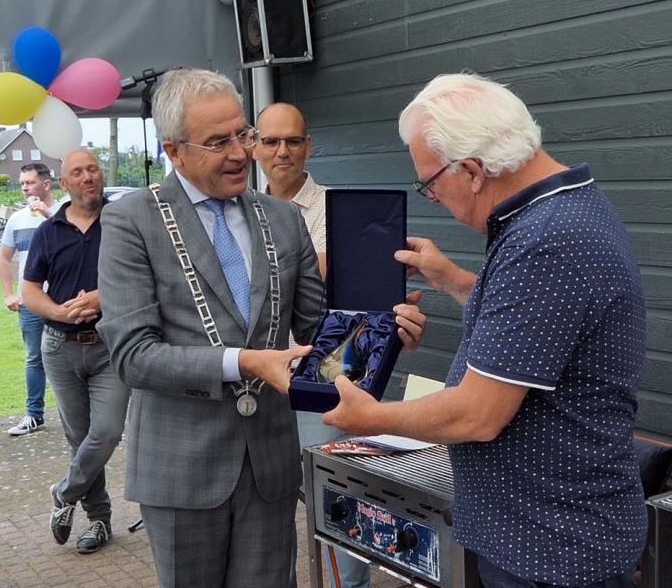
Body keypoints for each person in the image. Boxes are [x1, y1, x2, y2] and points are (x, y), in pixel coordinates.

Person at [96, 68, 426, 588]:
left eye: (242, 134)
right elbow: (134, 355)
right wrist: (245, 362)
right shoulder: (132, 221)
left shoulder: (281, 217)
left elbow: (318, 329)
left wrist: (379, 330)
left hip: (269, 463)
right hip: (183, 468)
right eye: (218, 141)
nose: (239, 153)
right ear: (173, 151)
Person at [323, 73, 648, 588]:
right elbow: (536, 326)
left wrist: (371, 416)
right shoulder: (563, 205)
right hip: (551, 535)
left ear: (471, 171)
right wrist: (451, 278)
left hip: (548, 547)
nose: (433, 197)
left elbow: (478, 415)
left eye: (430, 184)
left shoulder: (543, 240)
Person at [254, 102, 370, 588]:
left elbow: (313, 284)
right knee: (269, 504)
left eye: (293, 141)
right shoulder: (239, 206)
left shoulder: (333, 211)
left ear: (308, 146)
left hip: (319, 376)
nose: (283, 151)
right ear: (254, 145)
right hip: (257, 376)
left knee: (336, 498)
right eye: (271, 141)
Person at [22, 149, 129, 555]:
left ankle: (63, 494)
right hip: (59, 346)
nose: (88, 177)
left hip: (109, 345)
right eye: (78, 173)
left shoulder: (122, 222)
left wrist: (103, 298)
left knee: (106, 432)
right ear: (63, 184)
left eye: (93, 169)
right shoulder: (48, 231)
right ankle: (99, 521)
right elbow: (30, 287)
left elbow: (147, 274)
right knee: (80, 437)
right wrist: (56, 311)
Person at [0, 162, 60, 436]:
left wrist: (49, 217)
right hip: (31, 301)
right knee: (34, 357)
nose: (24, 188)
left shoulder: (66, 213)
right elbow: (4, 257)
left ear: (46, 184)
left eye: (30, 182)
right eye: (22, 183)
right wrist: (10, 294)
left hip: (62, 299)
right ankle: (34, 415)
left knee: (72, 357)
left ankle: (81, 414)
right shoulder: (17, 219)